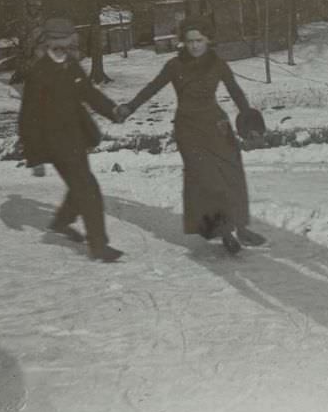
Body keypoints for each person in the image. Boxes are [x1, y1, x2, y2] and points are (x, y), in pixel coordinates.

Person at [115, 15, 266, 255]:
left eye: (199, 40)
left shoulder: (218, 64)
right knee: (209, 182)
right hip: (188, 130)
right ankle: (225, 232)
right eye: (190, 41)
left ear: (208, 40)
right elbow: (151, 89)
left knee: (233, 174)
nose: (194, 45)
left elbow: (235, 92)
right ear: (183, 42)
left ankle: (241, 227)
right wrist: (129, 107)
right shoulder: (174, 66)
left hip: (217, 126)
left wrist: (249, 120)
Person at [18, 17, 124, 263]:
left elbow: (88, 92)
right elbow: (28, 118)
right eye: (58, 46)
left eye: (68, 46)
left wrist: (112, 110)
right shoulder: (38, 74)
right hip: (54, 144)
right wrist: (34, 158)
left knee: (80, 185)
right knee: (88, 189)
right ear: (47, 44)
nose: (64, 51)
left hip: (76, 138)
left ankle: (61, 221)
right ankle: (99, 246)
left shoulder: (72, 65)